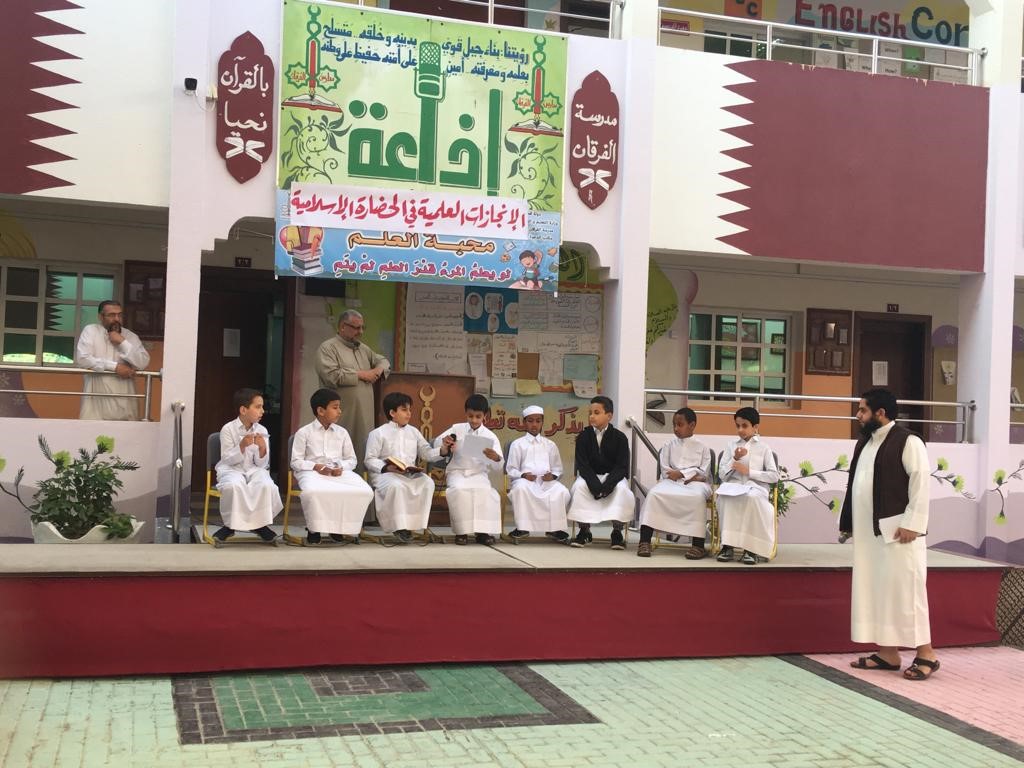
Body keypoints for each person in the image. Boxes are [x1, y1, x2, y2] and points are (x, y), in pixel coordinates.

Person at [840, 388, 939, 681]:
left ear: (880, 413)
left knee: (907, 592)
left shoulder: (909, 441)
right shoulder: (865, 443)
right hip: (870, 535)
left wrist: (913, 523)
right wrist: (848, 521)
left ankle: (927, 655)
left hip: (900, 533)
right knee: (878, 591)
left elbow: (921, 483)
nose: (858, 415)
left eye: (863, 410)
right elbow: (855, 485)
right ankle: (888, 653)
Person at [290, 388, 374, 546]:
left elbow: (352, 460)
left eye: (339, 407)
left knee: (365, 491)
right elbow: (295, 461)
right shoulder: (304, 432)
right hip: (311, 472)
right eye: (335, 407)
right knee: (313, 492)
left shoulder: (342, 432)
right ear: (321, 411)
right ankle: (314, 530)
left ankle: (339, 528)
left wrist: (339, 466)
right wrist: (316, 466)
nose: (339, 411)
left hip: (338, 473)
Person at [364, 391, 450, 544]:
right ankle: (399, 527)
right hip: (386, 475)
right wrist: (387, 467)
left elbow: (426, 453)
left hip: (409, 474)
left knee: (427, 483)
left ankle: (415, 526)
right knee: (397, 486)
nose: (409, 413)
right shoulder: (378, 433)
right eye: (404, 410)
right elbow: (369, 460)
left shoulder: (414, 431)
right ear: (392, 413)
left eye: (410, 409)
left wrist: (443, 450)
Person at [315, 309, 390, 470]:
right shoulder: (328, 348)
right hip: (343, 414)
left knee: (363, 450)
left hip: (365, 416)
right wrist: (361, 374)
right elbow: (331, 376)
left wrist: (377, 371)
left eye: (362, 327)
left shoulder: (363, 349)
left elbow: (383, 361)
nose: (360, 332)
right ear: (343, 326)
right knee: (339, 453)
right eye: (356, 327)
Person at [637, 407, 713, 558]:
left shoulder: (703, 448)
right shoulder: (668, 445)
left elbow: (703, 472)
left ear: (692, 425)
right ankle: (644, 541)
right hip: (671, 482)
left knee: (697, 498)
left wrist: (682, 473)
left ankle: (698, 546)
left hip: (696, 485)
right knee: (654, 494)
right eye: (674, 425)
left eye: (680, 424)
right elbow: (665, 469)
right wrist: (685, 474)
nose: (676, 428)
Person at [211, 387, 283, 547]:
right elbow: (227, 459)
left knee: (266, 485)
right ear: (243, 410)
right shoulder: (228, 429)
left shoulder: (262, 430)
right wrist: (242, 446)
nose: (262, 411)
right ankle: (230, 526)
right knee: (234, 486)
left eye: (262, 407)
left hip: (254, 470)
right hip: (232, 469)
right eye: (258, 407)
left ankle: (260, 525)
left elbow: (262, 464)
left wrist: (262, 449)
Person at [434, 394, 504, 545]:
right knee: (459, 491)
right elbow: (437, 443)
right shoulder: (456, 428)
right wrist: (445, 442)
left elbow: (499, 465)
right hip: (457, 472)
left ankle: (482, 533)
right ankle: (462, 532)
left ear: (485, 416)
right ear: (466, 413)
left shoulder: (490, 436)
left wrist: (495, 457)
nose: (474, 420)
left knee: (485, 491)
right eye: (470, 416)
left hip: (478, 474)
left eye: (478, 416)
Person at [568, 395, 635, 549]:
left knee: (622, 490)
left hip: (613, 478)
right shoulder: (583, 437)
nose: (592, 416)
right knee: (579, 488)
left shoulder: (620, 438)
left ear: (609, 416)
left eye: (596, 413)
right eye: (590, 413)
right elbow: (583, 465)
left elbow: (621, 466)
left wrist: (607, 486)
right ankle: (584, 531)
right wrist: (595, 485)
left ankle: (617, 532)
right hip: (589, 477)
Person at [716, 406, 779, 565]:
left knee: (751, 498)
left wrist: (749, 472)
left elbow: (773, 476)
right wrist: (734, 459)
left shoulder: (764, 448)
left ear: (755, 427)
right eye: (738, 426)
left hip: (756, 488)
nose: (740, 430)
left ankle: (751, 550)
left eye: (744, 426)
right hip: (734, 486)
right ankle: (727, 546)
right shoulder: (731, 446)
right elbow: (722, 475)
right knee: (724, 498)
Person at [75, 300, 150, 420]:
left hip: (125, 401)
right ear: (101, 317)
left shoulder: (130, 336)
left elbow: (143, 363)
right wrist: (115, 367)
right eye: (111, 315)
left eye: (119, 315)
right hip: (96, 403)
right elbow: (83, 359)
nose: (117, 319)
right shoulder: (91, 331)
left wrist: (122, 342)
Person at [506, 405, 570, 544]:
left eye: (538, 421)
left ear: (542, 422)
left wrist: (552, 476)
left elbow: (558, 469)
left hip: (546, 483)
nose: (534, 424)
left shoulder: (550, 444)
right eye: (530, 421)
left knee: (562, 491)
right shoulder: (517, 444)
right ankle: (522, 528)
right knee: (520, 489)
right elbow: (511, 469)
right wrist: (523, 475)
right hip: (525, 481)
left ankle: (555, 529)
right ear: (524, 423)